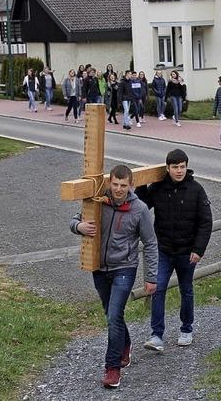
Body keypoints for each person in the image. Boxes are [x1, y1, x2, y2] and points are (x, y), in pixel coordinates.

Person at [69, 165, 158, 388]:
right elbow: (73, 220)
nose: (118, 189)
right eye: (115, 184)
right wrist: (79, 226)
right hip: (100, 268)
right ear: (109, 183)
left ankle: (112, 369)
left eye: (123, 185)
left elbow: (150, 243)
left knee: (113, 316)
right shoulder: (97, 202)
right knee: (111, 314)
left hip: (124, 268)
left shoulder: (140, 210)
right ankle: (125, 344)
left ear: (131, 185)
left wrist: (151, 277)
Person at [136, 149, 213, 352]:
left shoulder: (196, 190)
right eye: (175, 167)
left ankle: (186, 329)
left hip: (188, 252)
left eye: (182, 167)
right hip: (163, 250)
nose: (179, 171)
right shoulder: (159, 188)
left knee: (186, 290)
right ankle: (156, 335)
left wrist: (199, 249)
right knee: (157, 288)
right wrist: (142, 185)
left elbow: (206, 222)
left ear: (186, 167)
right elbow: (142, 206)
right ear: (167, 168)